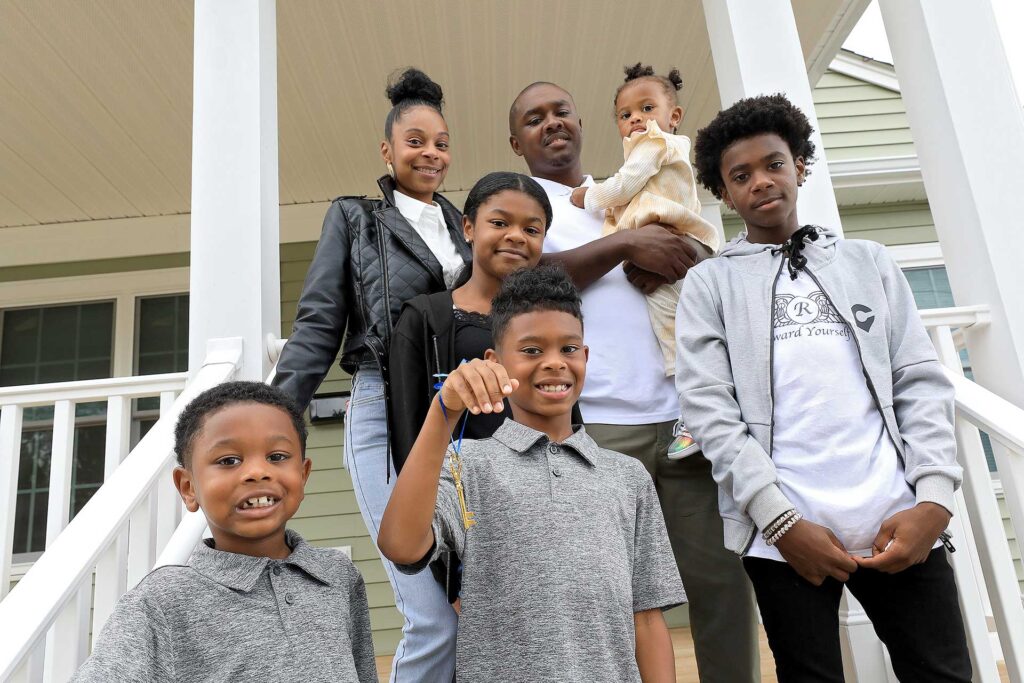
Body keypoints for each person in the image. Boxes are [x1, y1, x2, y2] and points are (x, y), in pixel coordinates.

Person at [679, 93, 971, 682]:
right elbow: (710, 413)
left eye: (774, 164)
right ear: (723, 192)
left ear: (800, 166)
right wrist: (780, 522)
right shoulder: (709, 285)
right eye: (741, 175)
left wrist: (935, 499)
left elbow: (918, 379)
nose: (761, 181)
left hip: (900, 517)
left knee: (940, 672)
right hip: (789, 536)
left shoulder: (868, 262)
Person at [508, 80, 760, 682]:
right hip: (599, 428)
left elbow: (704, 267)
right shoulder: (526, 207)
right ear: (516, 142)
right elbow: (522, 278)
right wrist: (627, 246)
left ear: (581, 120)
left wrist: (674, 256)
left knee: (720, 582)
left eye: (561, 111)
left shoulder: (625, 189)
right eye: (534, 119)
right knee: (606, 594)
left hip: (685, 419)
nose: (552, 124)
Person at [378, 265, 686, 682]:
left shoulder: (627, 477)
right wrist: (444, 412)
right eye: (532, 350)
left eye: (569, 349)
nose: (555, 363)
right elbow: (400, 545)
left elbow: (647, 620)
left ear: (586, 356)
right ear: (494, 361)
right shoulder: (468, 463)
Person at [272, 68, 470, 681]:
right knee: (432, 613)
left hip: (469, 413)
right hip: (385, 403)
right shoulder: (355, 220)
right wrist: (276, 416)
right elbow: (319, 320)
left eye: (439, 142)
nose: (429, 153)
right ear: (387, 149)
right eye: (415, 140)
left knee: (478, 604)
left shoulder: (470, 225)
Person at [73, 382, 377, 682]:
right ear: (188, 488)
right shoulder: (163, 601)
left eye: (277, 457)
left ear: (303, 473)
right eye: (229, 461)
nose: (258, 472)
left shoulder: (337, 574)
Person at [389, 170, 552, 606]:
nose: (516, 236)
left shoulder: (550, 324)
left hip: (540, 516)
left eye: (531, 229)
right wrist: (448, 569)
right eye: (499, 223)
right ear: (468, 227)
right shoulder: (426, 318)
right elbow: (410, 439)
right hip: (465, 521)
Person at [569, 63, 719, 380]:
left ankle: (685, 371)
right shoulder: (668, 154)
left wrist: (589, 196)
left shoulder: (654, 143)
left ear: (674, 117)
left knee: (668, 310)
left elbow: (624, 185)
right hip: (675, 241)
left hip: (668, 239)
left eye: (647, 108)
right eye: (625, 115)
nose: (635, 117)